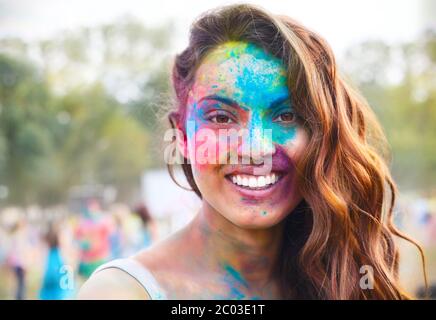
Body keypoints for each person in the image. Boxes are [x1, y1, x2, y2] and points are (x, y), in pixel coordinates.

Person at [78, 4, 426, 299]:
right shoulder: (121, 292)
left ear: (320, 136)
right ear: (182, 136)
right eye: (221, 117)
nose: (255, 147)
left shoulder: (344, 277)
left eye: (286, 115)